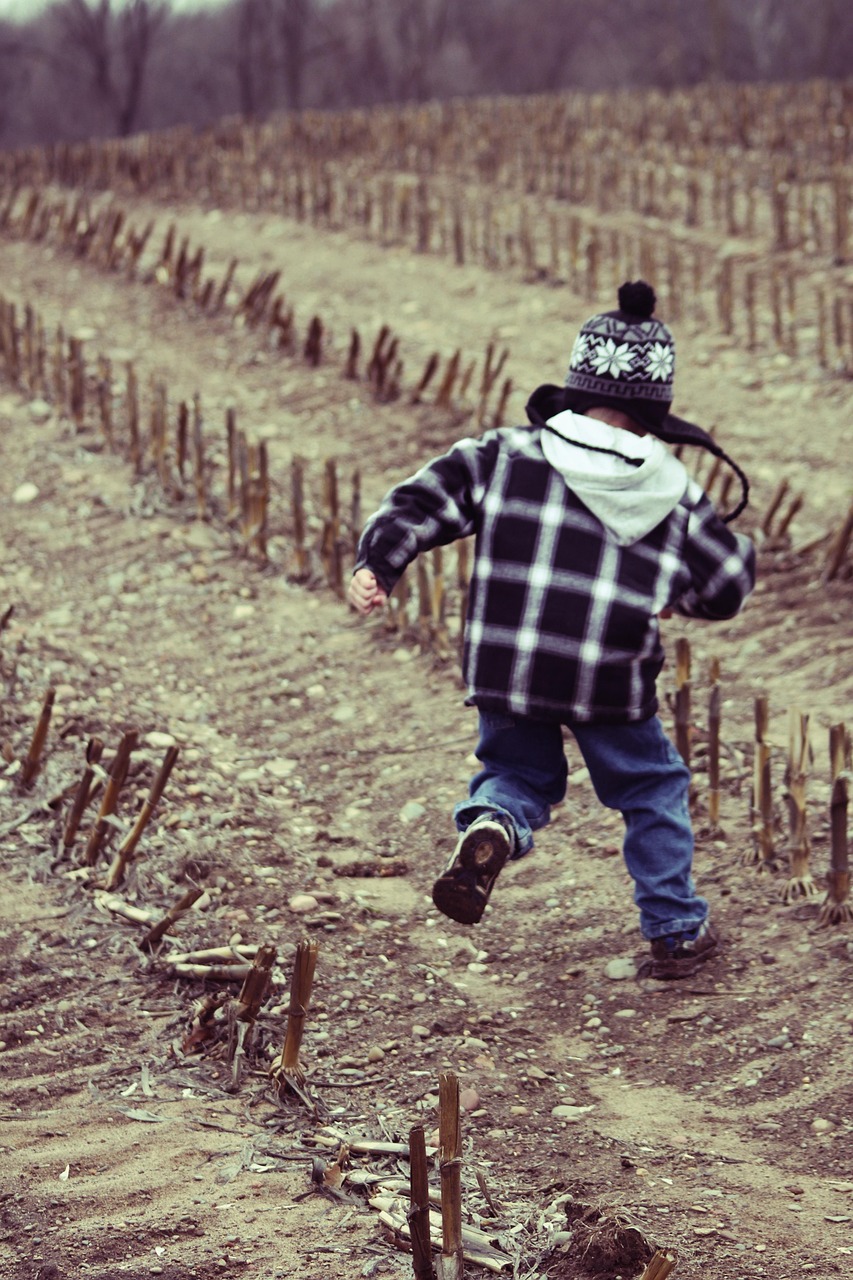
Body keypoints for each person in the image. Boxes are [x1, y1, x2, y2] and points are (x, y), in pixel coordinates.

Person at [348, 281, 755, 980]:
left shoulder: (504, 452)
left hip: (508, 664)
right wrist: (670, 593)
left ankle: (494, 827)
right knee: (649, 788)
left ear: (575, 389)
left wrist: (380, 563)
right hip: (608, 673)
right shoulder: (672, 487)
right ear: (653, 410)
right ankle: (675, 930)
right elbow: (725, 587)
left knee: (516, 772)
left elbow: (421, 501)